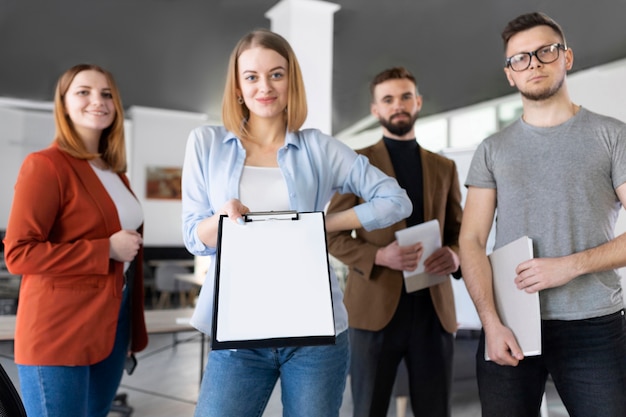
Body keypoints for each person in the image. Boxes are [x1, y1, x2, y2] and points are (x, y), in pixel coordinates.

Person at [181, 29, 412, 417]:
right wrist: (220, 219)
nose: (264, 87)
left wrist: (322, 223)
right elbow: (193, 237)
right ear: (237, 86)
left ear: (291, 81)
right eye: (251, 76)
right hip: (240, 333)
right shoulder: (205, 143)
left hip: (315, 333)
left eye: (277, 74)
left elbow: (395, 200)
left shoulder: (318, 148)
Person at [459, 12, 626, 417]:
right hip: (510, 324)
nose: (533, 63)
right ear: (510, 75)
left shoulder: (612, 135)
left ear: (566, 58)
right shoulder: (492, 149)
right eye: (520, 58)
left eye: (544, 52)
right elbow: (472, 241)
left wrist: (569, 266)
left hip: (594, 326)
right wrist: (490, 323)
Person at [3, 64, 148, 417]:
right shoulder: (46, 165)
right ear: (64, 104)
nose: (97, 100)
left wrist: (130, 332)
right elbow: (19, 254)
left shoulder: (115, 174)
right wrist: (106, 250)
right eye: (83, 92)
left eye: (106, 94)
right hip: (59, 330)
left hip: (113, 324)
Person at [326, 66, 463, 417]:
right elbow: (330, 233)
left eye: (405, 97)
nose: (397, 105)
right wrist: (378, 256)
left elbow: (459, 232)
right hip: (373, 309)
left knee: (436, 410)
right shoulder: (357, 164)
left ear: (417, 103)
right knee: (368, 409)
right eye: (388, 99)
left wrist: (456, 256)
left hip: (433, 310)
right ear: (375, 109)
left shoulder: (444, 167)